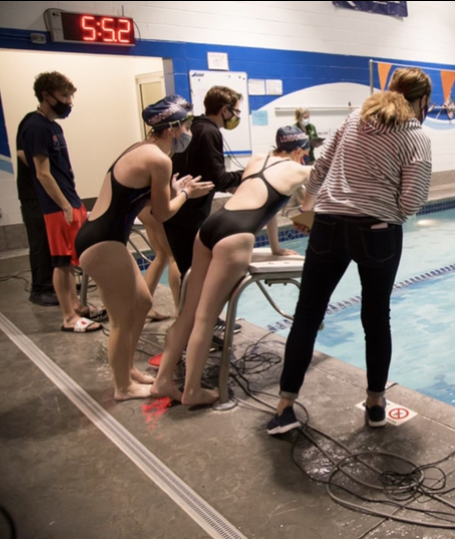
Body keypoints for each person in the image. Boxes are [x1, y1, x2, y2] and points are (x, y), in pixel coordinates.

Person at [266, 67, 433, 435]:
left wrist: (309, 209)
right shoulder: (416, 135)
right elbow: (412, 200)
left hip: (327, 225)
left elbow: (320, 167)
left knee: (307, 314)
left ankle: (283, 409)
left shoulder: (355, 117)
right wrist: (387, 210)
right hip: (377, 231)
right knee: (376, 319)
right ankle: (375, 404)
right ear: (423, 101)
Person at [151, 126, 313, 406]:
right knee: (205, 318)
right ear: (299, 151)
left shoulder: (256, 159)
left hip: (212, 226)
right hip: (236, 235)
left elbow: (269, 206)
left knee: (188, 312)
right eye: (305, 153)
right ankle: (192, 391)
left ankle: (162, 381)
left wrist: (275, 248)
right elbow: (311, 204)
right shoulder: (300, 170)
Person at [75, 95, 213, 401]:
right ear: (173, 127)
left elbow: (142, 201)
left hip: (102, 237)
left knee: (141, 302)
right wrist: (186, 194)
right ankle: (122, 387)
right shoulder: (159, 160)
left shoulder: (141, 149)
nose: (189, 131)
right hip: (102, 243)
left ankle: (129, 372)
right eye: (186, 125)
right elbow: (162, 214)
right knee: (122, 319)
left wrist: (172, 190)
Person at [19, 71, 103, 333]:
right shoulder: (35, 126)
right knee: (61, 261)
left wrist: (73, 202)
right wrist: (64, 205)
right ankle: (68, 317)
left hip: (70, 198)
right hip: (57, 206)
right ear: (46, 95)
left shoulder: (53, 126)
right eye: (64, 95)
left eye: (70, 95)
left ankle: (77, 306)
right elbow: (42, 172)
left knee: (71, 258)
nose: (68, 101)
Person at [164, 86, 245, 303]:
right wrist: (247, 174)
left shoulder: (196, 127)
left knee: (188, 271)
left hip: (180, 210)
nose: (237, 116)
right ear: (224, 110)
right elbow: (217, 179)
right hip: (189, 211)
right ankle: (196, 323)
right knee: (197, 272)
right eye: (236, 111)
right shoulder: (210, 132)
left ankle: (188, 319)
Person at [16, 111, 57, 306]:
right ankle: (40, 288)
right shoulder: (33, 125)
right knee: (40, 241)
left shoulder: (49, 126)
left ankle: (54, 283)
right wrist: (47, 169)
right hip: (33, 195)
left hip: (45, 195)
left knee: (51, 241)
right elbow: (23, 153)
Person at [137, 205, 181, 320]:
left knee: (162, 255)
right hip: (158, 207)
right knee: (174, 256)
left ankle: (142, 307)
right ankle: (180, 311)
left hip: (143, 208)